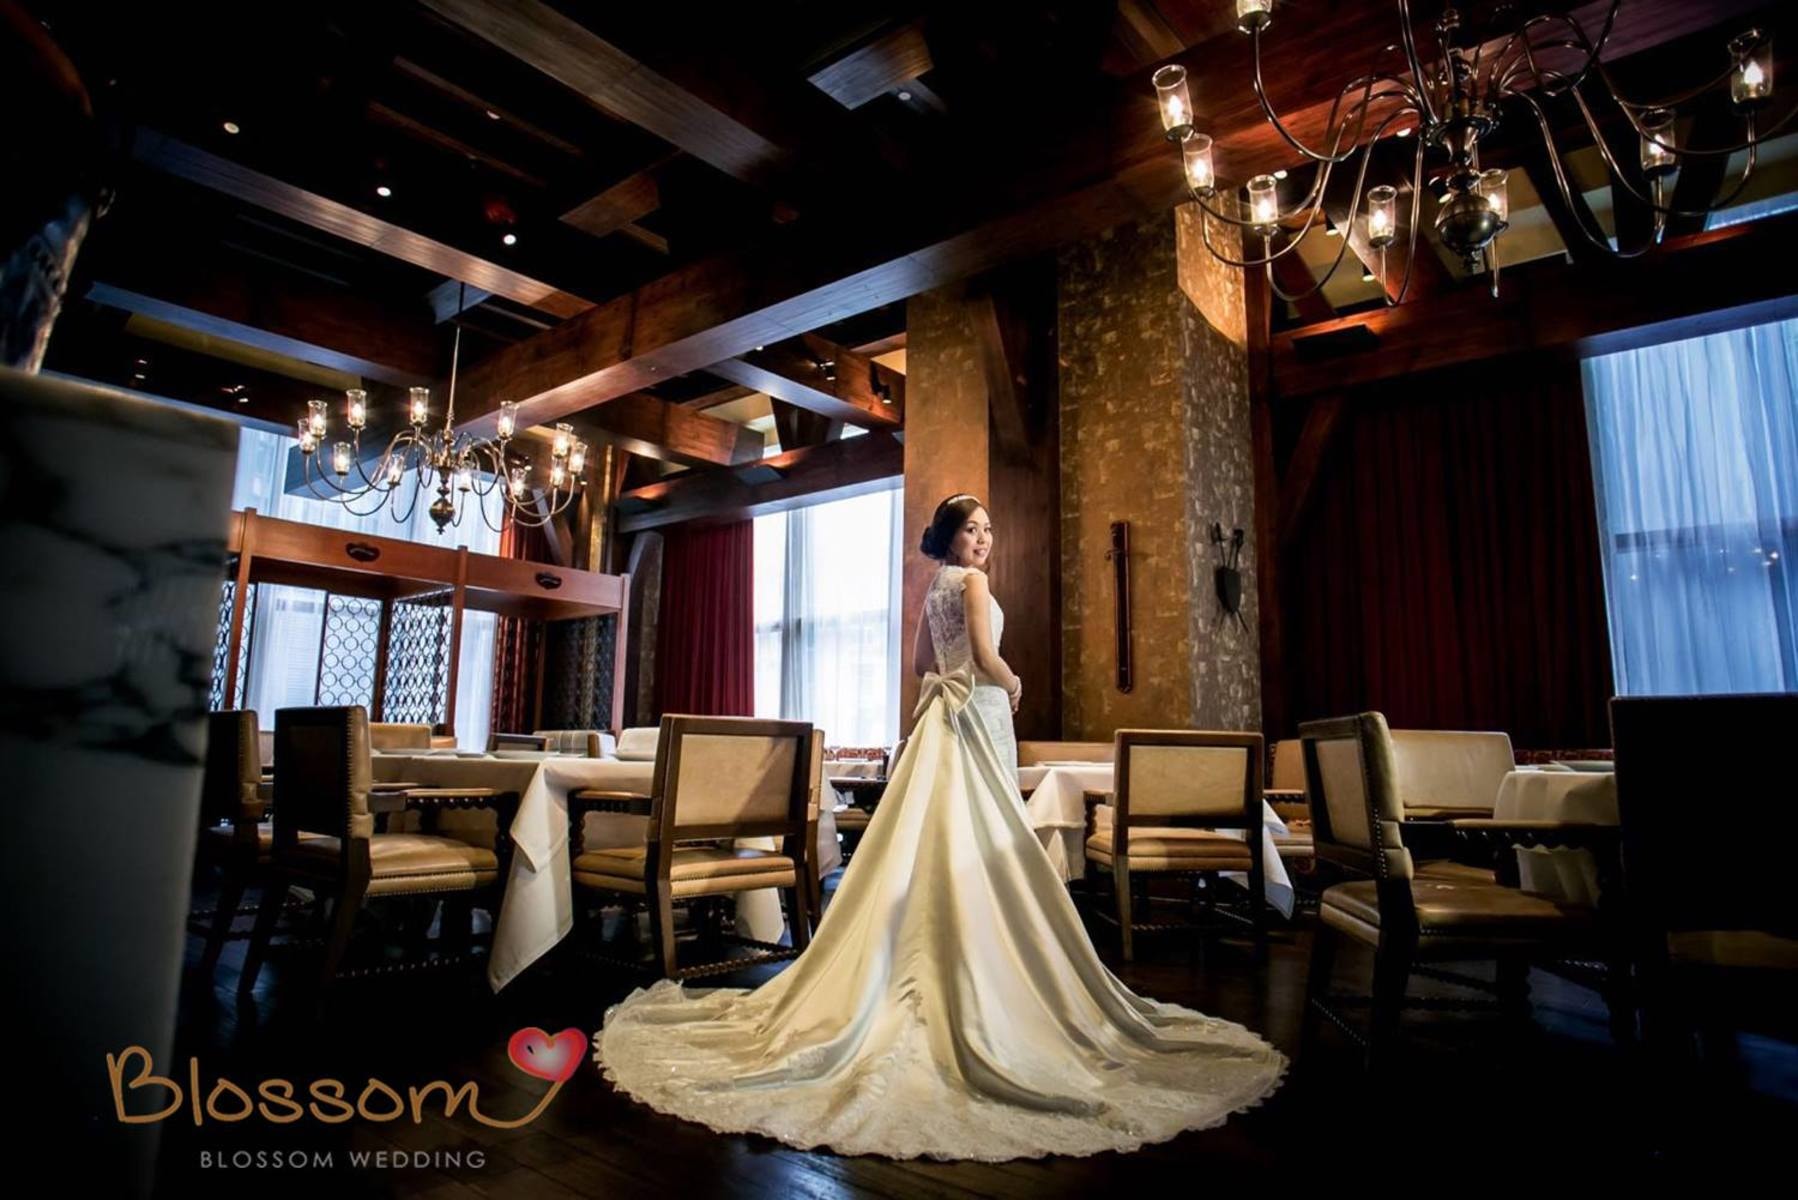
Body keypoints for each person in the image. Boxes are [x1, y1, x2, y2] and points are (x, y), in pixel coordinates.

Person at [593, 493, 1286, 1160]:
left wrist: (966, 677)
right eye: (970, 529)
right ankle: (981, 969)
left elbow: (923, 665)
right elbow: (982, 658)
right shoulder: (973, 585)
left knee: (932, 837)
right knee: (979, 834)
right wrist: (1012, 683)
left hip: (943, 721)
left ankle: (919, 959)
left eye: (987, 529)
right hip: (978, 714)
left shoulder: (935, 588)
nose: (982, 539)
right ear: (949, 537)